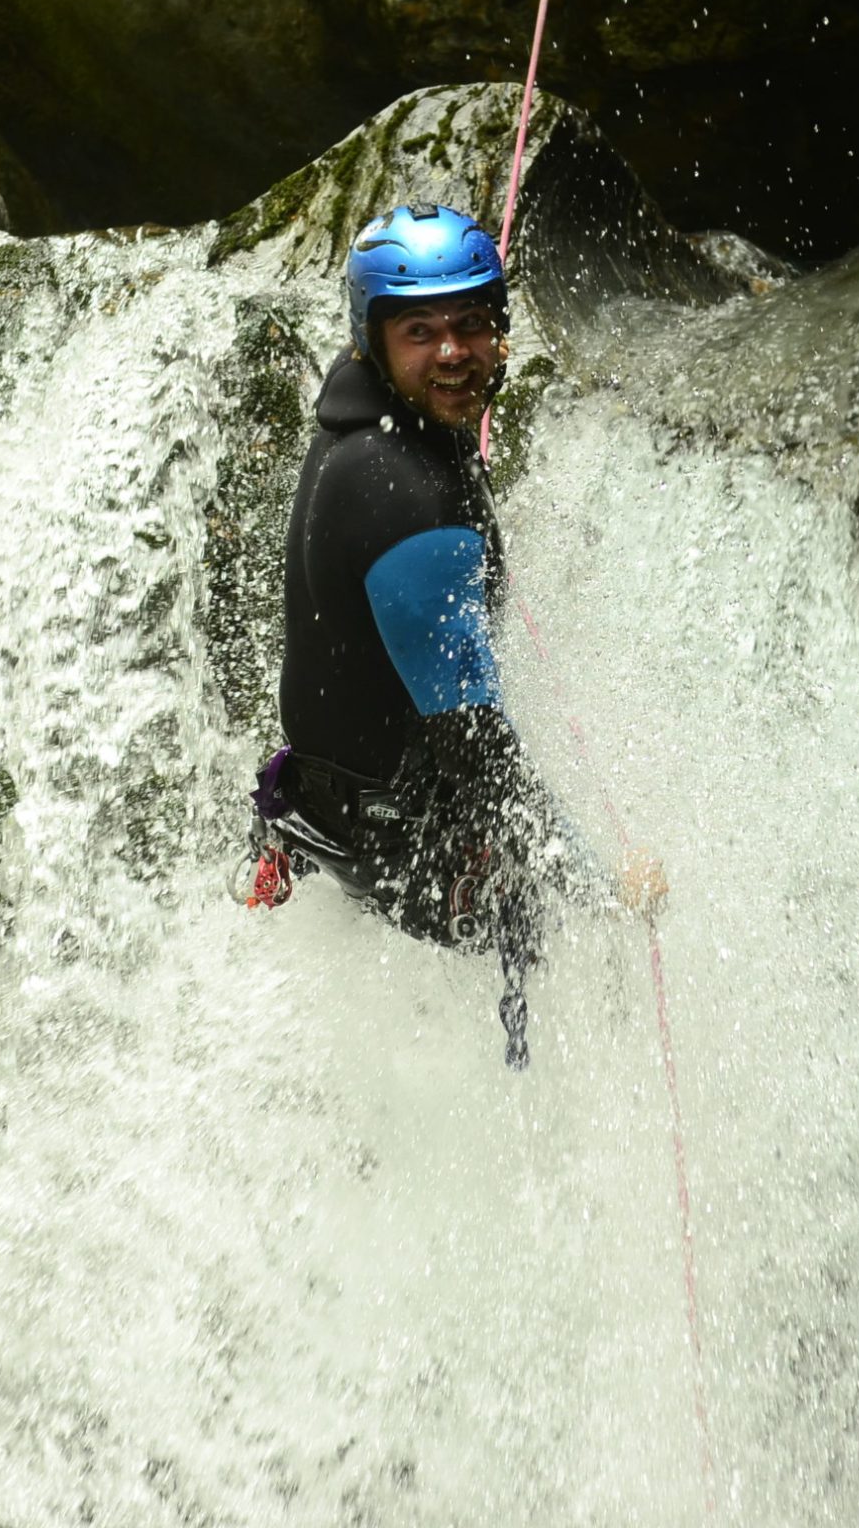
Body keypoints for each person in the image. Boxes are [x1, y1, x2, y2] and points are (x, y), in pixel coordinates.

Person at [244, 202, 663, 1068]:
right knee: (587, 934)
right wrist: (594, 887)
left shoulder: (368, 419)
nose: (452, 353)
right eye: (420, 331)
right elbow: (474, 747)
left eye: (473, 324)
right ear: (371, 339)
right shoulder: (403, 501)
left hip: (335, 805)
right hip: (402, 848)